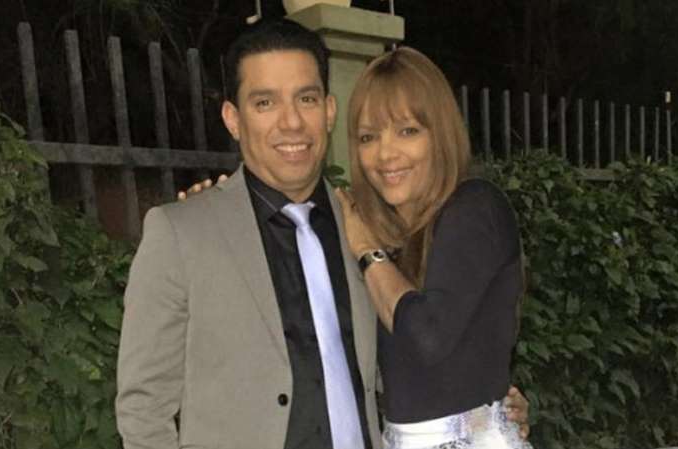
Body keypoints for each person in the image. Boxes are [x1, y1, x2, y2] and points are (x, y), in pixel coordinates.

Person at [117, 19, 528, 449]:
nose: (291, 122)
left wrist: (487, 413)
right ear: (233, 119)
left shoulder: (371, 228)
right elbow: (144, 408)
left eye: (306, 99)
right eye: (265, 103)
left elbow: (420, 351)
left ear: (329, 111)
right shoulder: (183, 233)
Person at [331, 47, 531, 449]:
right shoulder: (385, 237)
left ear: (439, 134)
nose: (386, 154)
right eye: (369, 137)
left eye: (407, 131)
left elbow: (428, 335)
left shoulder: (475, 207)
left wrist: (367, 250)